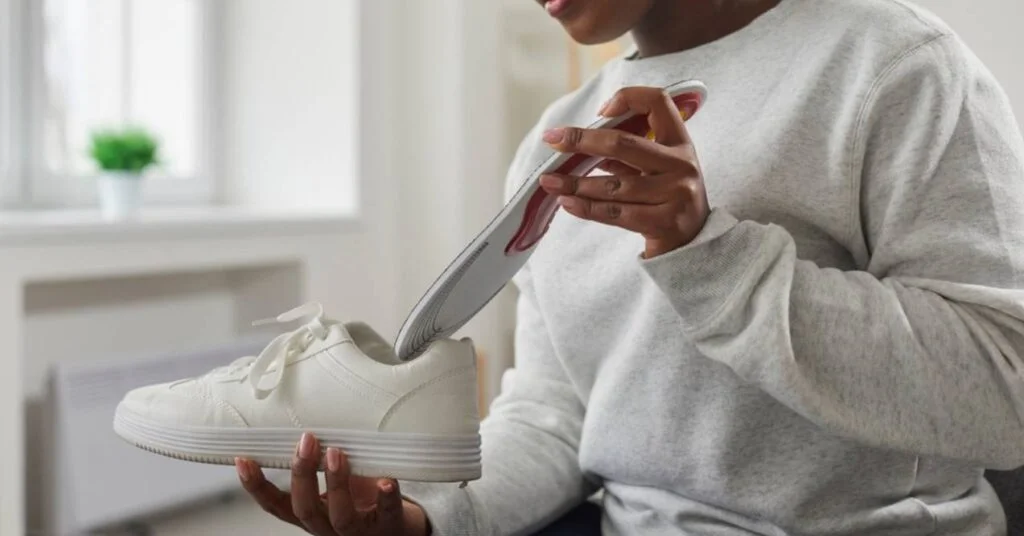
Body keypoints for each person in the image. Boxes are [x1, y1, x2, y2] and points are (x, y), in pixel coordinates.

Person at [236, 0, 1024, 533]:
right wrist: (432, 519)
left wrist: (706, 253)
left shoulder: (892, 63)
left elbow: (1003, 390)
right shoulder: (559, 135)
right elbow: (556, 416)